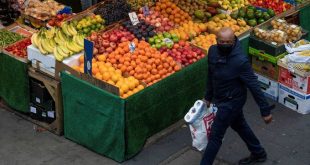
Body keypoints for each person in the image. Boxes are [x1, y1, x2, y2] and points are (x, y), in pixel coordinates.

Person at [200, 27, 275, 165]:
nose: (224, 45)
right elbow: (211, 75)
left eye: (228, 42)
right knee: (239, 124)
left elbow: (253, 85)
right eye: (221, 42)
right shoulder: (212, 52)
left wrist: (265, 110)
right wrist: (208, 96)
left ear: (234, 40)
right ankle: (259, 153)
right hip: (221, 97)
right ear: (216, 41)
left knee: (215, 136)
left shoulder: (240, 61)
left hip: (231, 102)